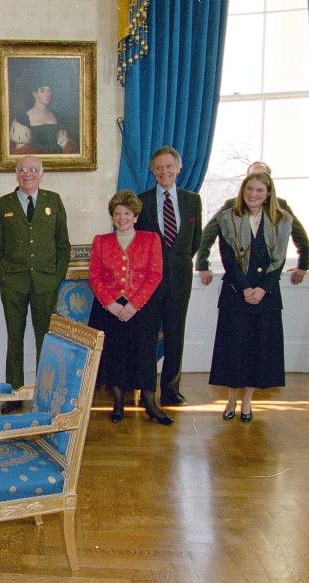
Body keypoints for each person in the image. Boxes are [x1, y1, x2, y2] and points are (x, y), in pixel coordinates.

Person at [0, 155, 70, 412]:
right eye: (23, 169)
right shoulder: (2, 205)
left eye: (33, 169)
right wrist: (2, 275)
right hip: (13, 282)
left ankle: (44, 393)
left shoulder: (53, 200)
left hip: (45, 282)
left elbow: (63, 244)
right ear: (16, 173)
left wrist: (56, 277)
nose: (28, 173)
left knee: (44, 338)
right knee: (15, 339)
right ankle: (14, 393)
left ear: (41, 173)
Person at [207, 172, 291, 421]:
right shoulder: (228, 219)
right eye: (249, 190)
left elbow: (279, 261)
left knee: (259, 351)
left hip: (266, 296)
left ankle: (247, 401)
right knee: (233, 351)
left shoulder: (282, 220)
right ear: (243, 192)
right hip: (236, 294)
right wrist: (244, 288)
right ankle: (231, 398)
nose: (253, 195)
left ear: (268, 195)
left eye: (259, 191)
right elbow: (228, 259)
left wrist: (262, 289)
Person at [87, 191, 170, 424]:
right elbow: (94, 276)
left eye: (127, 213)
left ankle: (150, 403)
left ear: (135, 216)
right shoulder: (101, 241)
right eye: (117, 214)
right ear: (112, 217)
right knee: (115, 354)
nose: (122, 218)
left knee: (144, 354)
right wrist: (111, 304)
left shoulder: (151, 239)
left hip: (142, 308)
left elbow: (155, 275)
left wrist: (134, 305)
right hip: (109, 309)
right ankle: (118, 403)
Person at [136, 146, 202, 406]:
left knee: (176, 335)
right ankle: (147, 391)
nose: (164, 171)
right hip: (149, 282)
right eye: (159, 168)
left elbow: (194, 241)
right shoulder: (142, 201)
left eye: (168, 166)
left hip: (180, 280)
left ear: (178, 168)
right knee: (147, 337)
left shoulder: (192, 200)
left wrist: (177, 264)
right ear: (152, 171)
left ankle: (171, 391)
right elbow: (137, 244)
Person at [197, 161, 309, 286]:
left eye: (262, 176)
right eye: (253, 176)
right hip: (238, 279)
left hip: (267, 280)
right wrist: (202, 264)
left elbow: (299, 235)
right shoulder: (231, 206)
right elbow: (208, 233)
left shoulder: (280, 206)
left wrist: (303, 265)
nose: (257, 181)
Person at [9, 84, 78, 155]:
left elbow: (67, 147)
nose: (47, 94)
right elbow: (20, 152)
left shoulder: (57, 116)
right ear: (35, 94)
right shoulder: (23, 118)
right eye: (42, 91)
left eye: (49, 91)